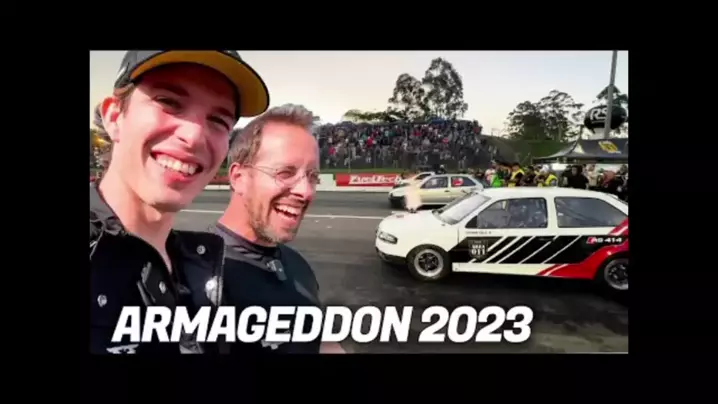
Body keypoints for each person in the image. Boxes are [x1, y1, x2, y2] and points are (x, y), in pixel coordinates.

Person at [90, 50, 270, 354]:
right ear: (114, 117)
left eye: (218, 119)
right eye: (169, 102)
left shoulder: (206, 266)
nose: (195, 135)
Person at [210, 104, 346, 354]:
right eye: (285, 172)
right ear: (239, 178)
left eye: (312, 177)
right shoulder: (199, 279)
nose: (306, 192)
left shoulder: (297, 265)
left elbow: (322, 342)